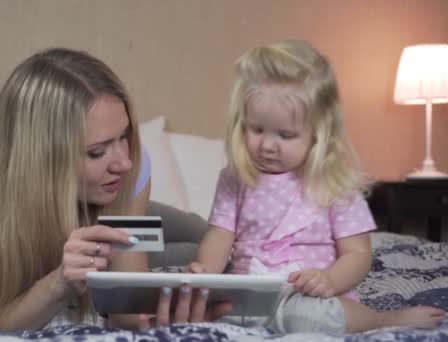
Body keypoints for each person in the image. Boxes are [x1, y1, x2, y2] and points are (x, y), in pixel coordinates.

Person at [0, 48, 231, 332]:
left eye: (124, 136)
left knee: (207, 236)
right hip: (78, 218)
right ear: (41, 157)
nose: (125, 163)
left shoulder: (131, 169)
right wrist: (57, 284)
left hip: (106, 208)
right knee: (190, 247)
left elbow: (124, 313)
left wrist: (155, 321)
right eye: (96, 152)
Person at [189, 40, 445, 334]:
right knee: (212, 313)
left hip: (312, 296)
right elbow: (219, 238)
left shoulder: (335, 182)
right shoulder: (235, 178)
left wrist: (329, 280)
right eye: (256, 129)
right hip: (252, 297)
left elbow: (358, 254)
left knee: (311, 318)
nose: (268, 145)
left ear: (318, 134)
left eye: (285, 135)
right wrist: (206, 274)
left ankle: (384, 319)